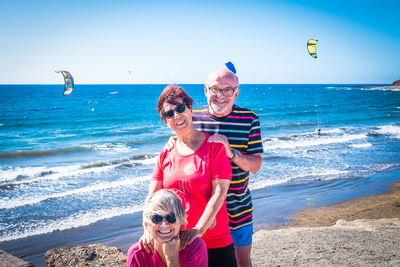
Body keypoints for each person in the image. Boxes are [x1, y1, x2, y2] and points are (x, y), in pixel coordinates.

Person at [139, 84, 237, 267]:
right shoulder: (165, 153)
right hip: (178, 244)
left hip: (215, 243)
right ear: (164, 120)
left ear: (190, 108)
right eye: (169, 114)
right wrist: (147, 229)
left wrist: (198, 230)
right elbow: (151, 198)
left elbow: (220, 192)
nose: (176, 116)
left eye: (180, 108)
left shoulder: (214, 147)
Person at [192, 69, 264, 267]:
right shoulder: (192, 119)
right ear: (206, 90)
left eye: (227, 90)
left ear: (237, 93)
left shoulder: (250, 119)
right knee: (203, 261)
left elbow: (256, 165)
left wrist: (230, 152)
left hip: (238, 207)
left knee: (242, 261)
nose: (221, 95)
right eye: (215, 88)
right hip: (205, 209)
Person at [126, 189, 208, 267]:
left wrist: (172, 258)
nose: (164, 224)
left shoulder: (194, 247)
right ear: (147, 224)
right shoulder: (138, 253)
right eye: (157, 218)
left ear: (182, 223)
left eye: (171, 218)